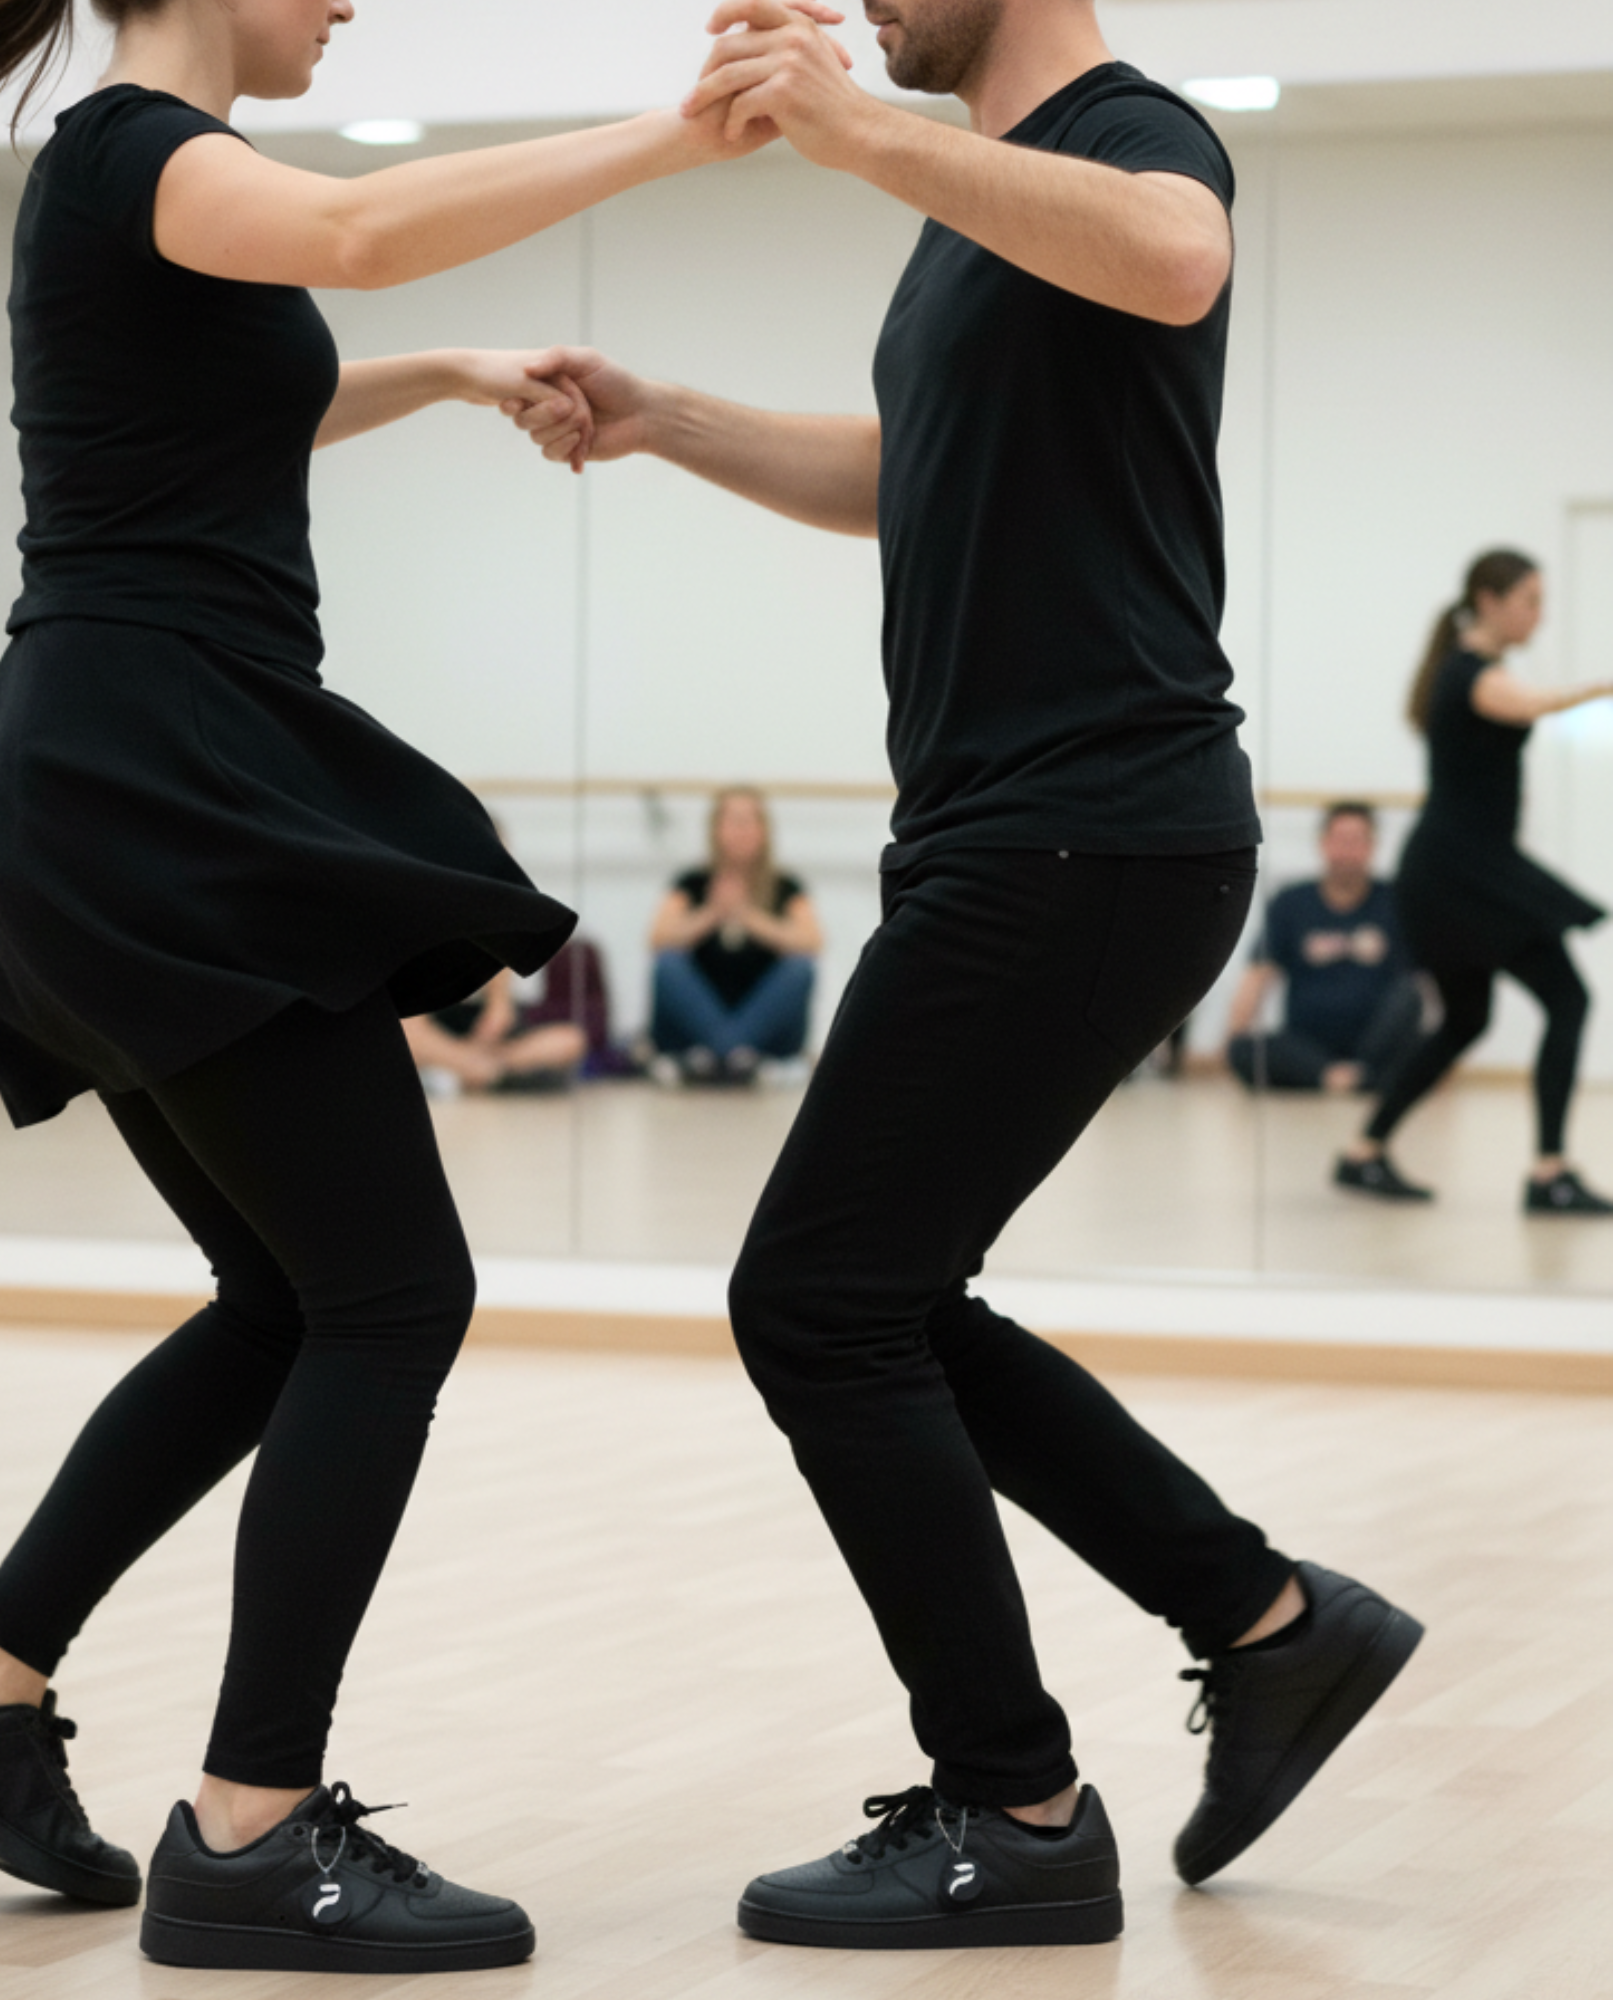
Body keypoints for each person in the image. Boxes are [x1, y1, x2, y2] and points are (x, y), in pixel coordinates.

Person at [0, 0, 837, 1974]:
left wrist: (438, 377)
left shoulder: (139, 186)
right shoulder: (136, 154)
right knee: (390, 1292)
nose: (347, 0)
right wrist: (673, 136)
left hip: (117, 772)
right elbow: (357, 234)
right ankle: (253, 1827)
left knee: (293, 1296)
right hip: (149, 778)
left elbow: (235, 387)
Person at [514, 0, 1421, 1953]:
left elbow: (1177, 250)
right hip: (1028, 829)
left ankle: (1015, 1803)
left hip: (1089, 821)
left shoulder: (1130, 134)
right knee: (883, 1296)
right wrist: (668, 417)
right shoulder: (964, 219)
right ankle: (1267, 1623)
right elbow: (904, 470)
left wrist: (848, 133)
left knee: (818, 1302)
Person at [1337, 551, 1613, 1211]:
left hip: (1452, 870)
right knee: (1568, 1001)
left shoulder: (1469, 671)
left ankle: (1362, 1152)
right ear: (1489, 601)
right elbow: (1534, 703)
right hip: (1461, 873)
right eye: (1529, 600)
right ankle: (1549, 1174)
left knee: (1465, 1020)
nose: (1538, 615)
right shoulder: (1473, 675)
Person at [1225, 801, 1423, 1095]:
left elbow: (1420, 985)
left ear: (1372, 846)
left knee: (1411, 1005)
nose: (1348, 850)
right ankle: (1345, 1079)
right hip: (1307, 1045)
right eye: (1340, 839)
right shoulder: (1291, 902)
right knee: (1244, 1050)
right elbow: (1259, 974)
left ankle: (1353, 1075)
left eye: (1357, 840)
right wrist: (1234, 1038)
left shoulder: (1397, 901)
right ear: (1323, 843)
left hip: (1377, 1043)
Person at [648, 786, 821, 1082]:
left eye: (750, 820)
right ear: (715, 829)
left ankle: (720, 1056)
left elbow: (812, 941)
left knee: (800, 968)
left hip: (763, 1031)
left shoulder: (786, 885)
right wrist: (713, 913)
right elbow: (658, 938)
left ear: (764, 830)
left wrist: (747, 915)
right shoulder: (692, 882)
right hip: (698, 1029)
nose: (741, 830)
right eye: (733, 820)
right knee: (668, 964)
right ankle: (735, 1055)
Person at [403, 967, 587, 1094]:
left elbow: (500, 1016)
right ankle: (474, 1070)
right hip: (437, 1019)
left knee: (571, 1040)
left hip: (490, 1036)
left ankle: (469, 1071)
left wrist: (497, 1007)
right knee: (404, 1034)